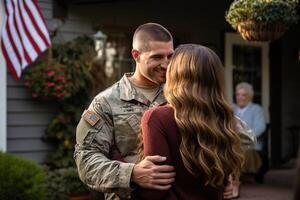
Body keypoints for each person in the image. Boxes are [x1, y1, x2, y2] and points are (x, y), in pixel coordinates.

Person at [74, 22, 176, 200]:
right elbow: (86, 160)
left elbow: (225, 135)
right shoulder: (105, 103)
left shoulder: (180, 96)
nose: (166, 65)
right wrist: (131, 173)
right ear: (136, 55)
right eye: (157, 57)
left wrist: (230, 177)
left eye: (170, 56)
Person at [132, 44, 245, 200]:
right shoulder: (225, 119)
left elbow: (155, 191)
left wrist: (120, 163)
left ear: (175, 74)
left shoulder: (158, 118)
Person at [233, 82, 267, 183]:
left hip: (251, 145)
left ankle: (239, 177)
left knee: (240, 149)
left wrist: (242, 138)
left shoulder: (256, 110)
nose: (240, 97)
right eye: (238, 94)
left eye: (243, 95)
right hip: (233, 142)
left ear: (250, 96)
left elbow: (260, 127)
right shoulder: (232, 109)